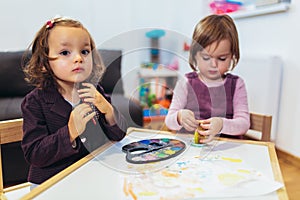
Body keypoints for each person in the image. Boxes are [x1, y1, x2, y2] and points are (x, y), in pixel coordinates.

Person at [21, 17, 127, 187]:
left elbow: (119, 134)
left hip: (91, 177)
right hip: (51, 184)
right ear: (44, 64)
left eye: (85, 51)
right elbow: (35, 154)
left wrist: (108, 111)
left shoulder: (95, 91)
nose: (78, 58)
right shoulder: (34, 102)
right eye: (65, 52)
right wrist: (70, 131)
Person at [165, 14, 250, 143]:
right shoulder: (186, 83)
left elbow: (243, 124)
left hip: (226, 153)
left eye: (222, 58)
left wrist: (222, 125)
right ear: (195, 55)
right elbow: (169, 121)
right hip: (190, 151)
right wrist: (179, 117)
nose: (213, 64)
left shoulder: (237, 84)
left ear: (232, 56)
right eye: (206, 57)